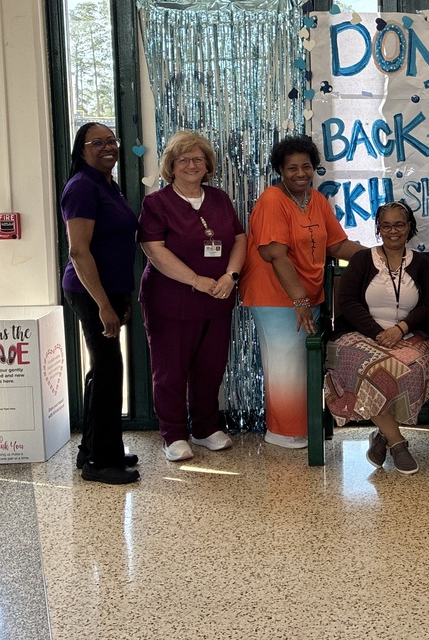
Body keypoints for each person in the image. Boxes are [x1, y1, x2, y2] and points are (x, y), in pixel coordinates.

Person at [241, 135, 363, 449]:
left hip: (308, 297)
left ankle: (303, 426)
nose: (300, 173)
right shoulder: (272, 199)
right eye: (292, 167)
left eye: (306, 167)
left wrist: (374, 257)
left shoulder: (316, 199)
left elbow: (336, 244)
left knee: (303, 365)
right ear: (280, 169)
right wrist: (299, 301)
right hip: (277, 297)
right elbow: (275, 254)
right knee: (285, 365)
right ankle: (282, 432)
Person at [138, 131, 246, 462]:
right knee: (170, 370)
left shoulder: (220, 199)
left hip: (217, 299)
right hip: (171, 301)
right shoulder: (156, 203)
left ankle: (204, 428)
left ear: (208, 164)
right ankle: (173, 433)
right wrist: (198, 280)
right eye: (183, 159)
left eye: (198, 159)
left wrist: (230, 276)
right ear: (170, 165)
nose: (191, 165)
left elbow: (240, 239)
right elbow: (154, 251)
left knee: (210, 367)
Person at [325, 202, 429, 475]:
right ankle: (398, 443)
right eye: (386, 225)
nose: (393, 230)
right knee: (369, 368)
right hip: (360, 334)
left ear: (409, 227)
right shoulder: (363, 260)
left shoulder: (422, 264)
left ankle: (382, 436)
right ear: (378, 229)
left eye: (399, 224)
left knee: (411, 368)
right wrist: (377, 333)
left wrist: (400, 329)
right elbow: (349, 302)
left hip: (407, 335)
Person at [60, 122, 139, 485]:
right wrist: (104, 305)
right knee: (109, 371)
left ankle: (92, 448)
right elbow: (78, 251)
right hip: (91, 292)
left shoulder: (107, 184)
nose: (108, 147)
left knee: (101, 370)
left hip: (111, 291)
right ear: (82, 150)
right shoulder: (81, 188)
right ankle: (100, 463)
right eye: (97, 142)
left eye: (112, 141)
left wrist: (118, 297)